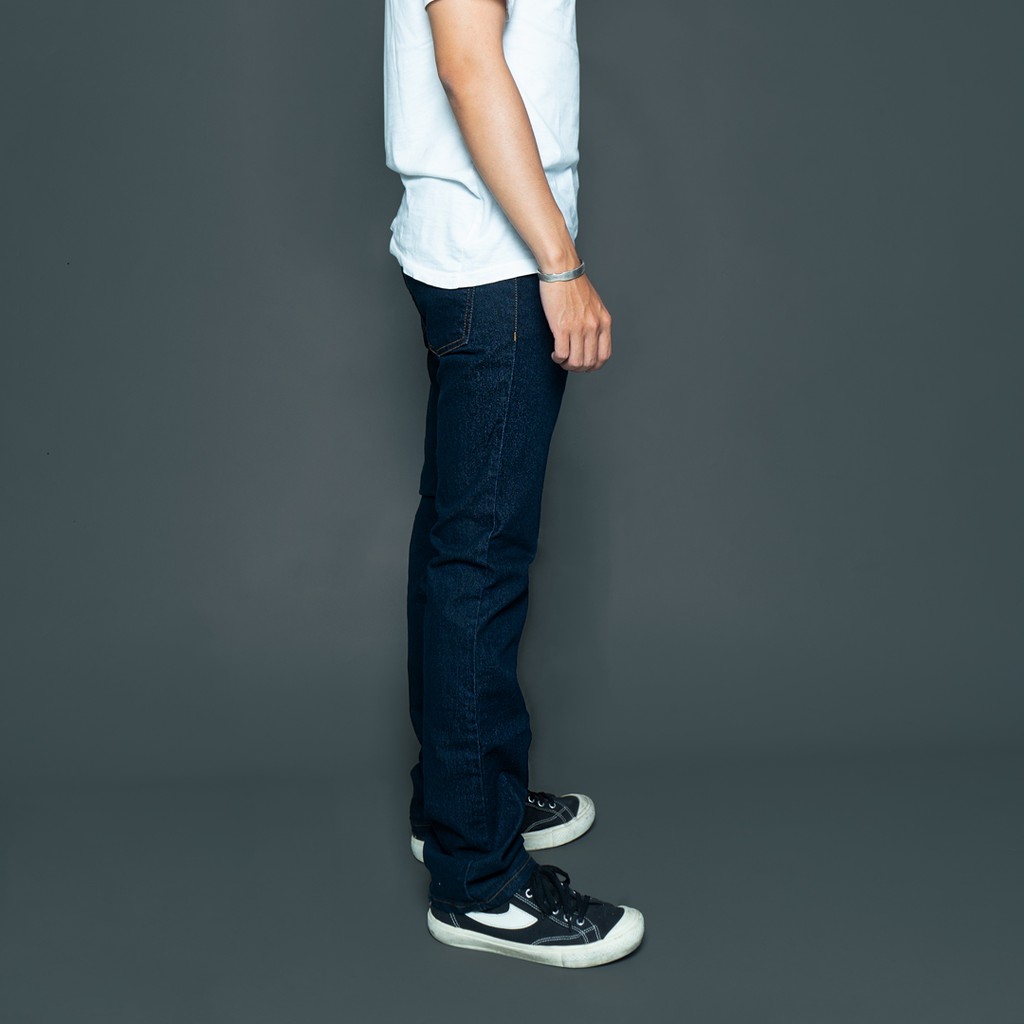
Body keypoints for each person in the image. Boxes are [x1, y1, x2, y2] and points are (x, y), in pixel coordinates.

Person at [383, 0, 644, 968]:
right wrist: (561, 264)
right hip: (499, 263)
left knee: (457, 545)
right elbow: (467, 61)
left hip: (474, 246)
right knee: (479, 564)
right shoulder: (520, 264)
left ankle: (461, 801)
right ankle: (479, 881)